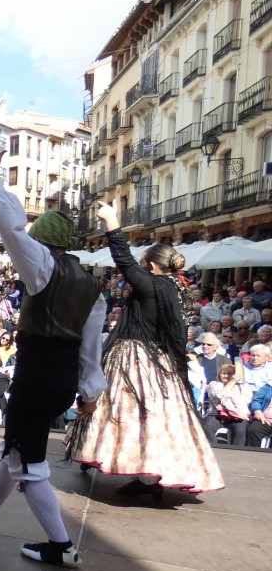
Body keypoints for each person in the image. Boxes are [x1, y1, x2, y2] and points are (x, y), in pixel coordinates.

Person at [0, 138, 106, 569]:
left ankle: (61, 546)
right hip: (62, 383)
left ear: (45, 243)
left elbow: (11, 231)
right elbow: (91, 349)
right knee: (15, 449)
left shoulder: (41, 266)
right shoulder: (92, 287)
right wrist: (89, 393)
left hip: (35, 379)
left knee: (29, 464)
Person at [68, 202, 223, 497]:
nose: (137, 266)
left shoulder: (151, 284)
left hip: (134, 356)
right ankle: (142, 468)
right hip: (158, 359)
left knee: (125, 410)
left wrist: (112, 221)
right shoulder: (175, 287)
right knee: (156, 414)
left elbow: (122, 259)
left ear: (150, 266)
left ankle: (141, 473)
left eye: (142, 263)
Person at [201, 364, 252, 445]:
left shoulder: (243, 386)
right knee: (206, 426)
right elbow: (218, 396)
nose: (226, 376)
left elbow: (246, 400)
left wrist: (228, 398)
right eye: (223, 373)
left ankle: (237, 453)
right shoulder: (214, 384)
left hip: (238, 413)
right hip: (217, 413)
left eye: (229, 373)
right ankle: (212, 448)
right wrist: (232, 382)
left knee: (240, 430)